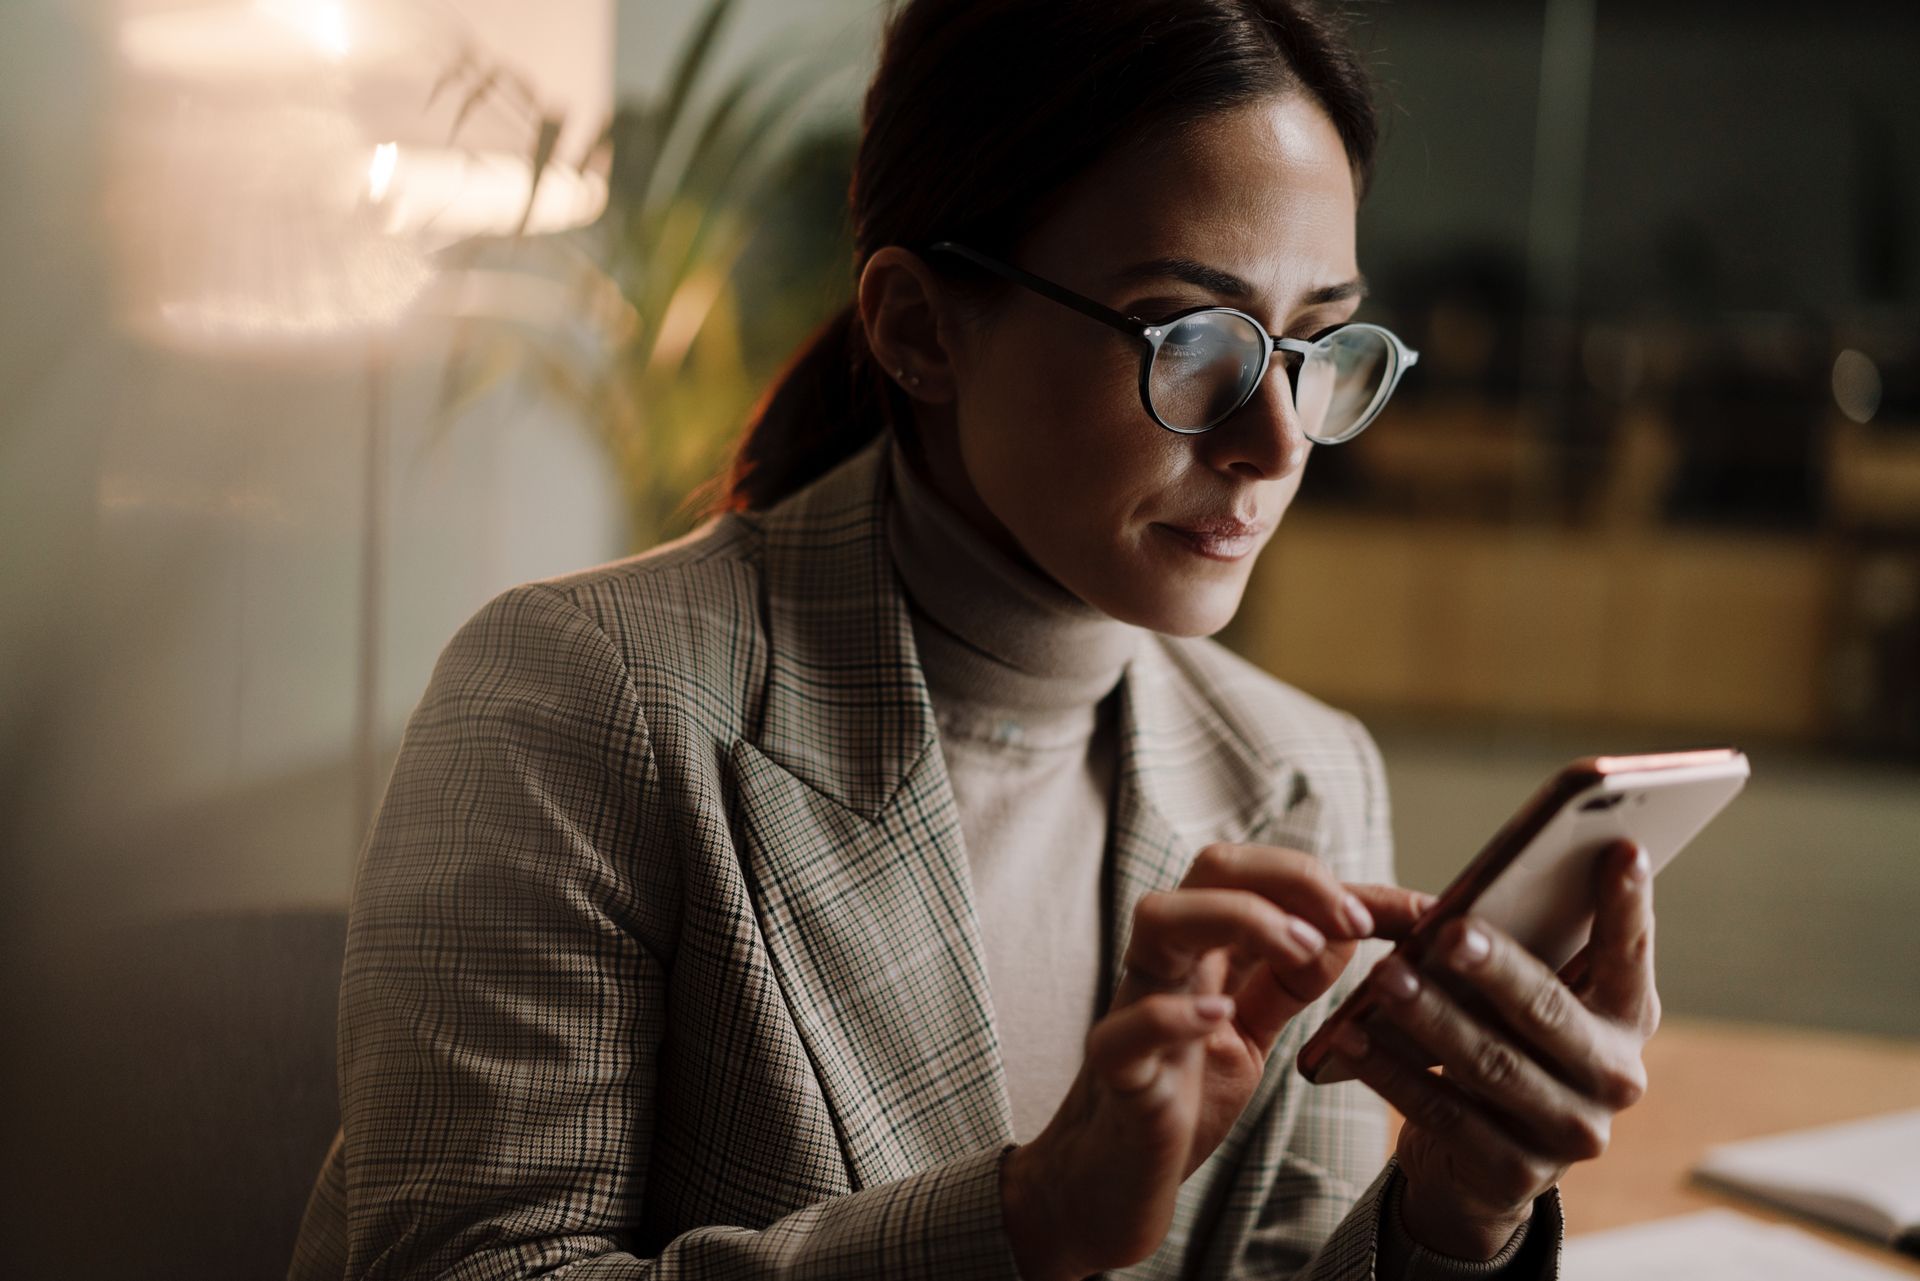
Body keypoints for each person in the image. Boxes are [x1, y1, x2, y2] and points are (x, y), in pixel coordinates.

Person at [290, 1, 1662, 1277]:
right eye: (1191, 341)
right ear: (918, 329)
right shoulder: (576, 697)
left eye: (1319, 343)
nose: (1276, 439)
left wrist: (1457, 1211)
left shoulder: (1307, 771)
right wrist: (1020, 1220)